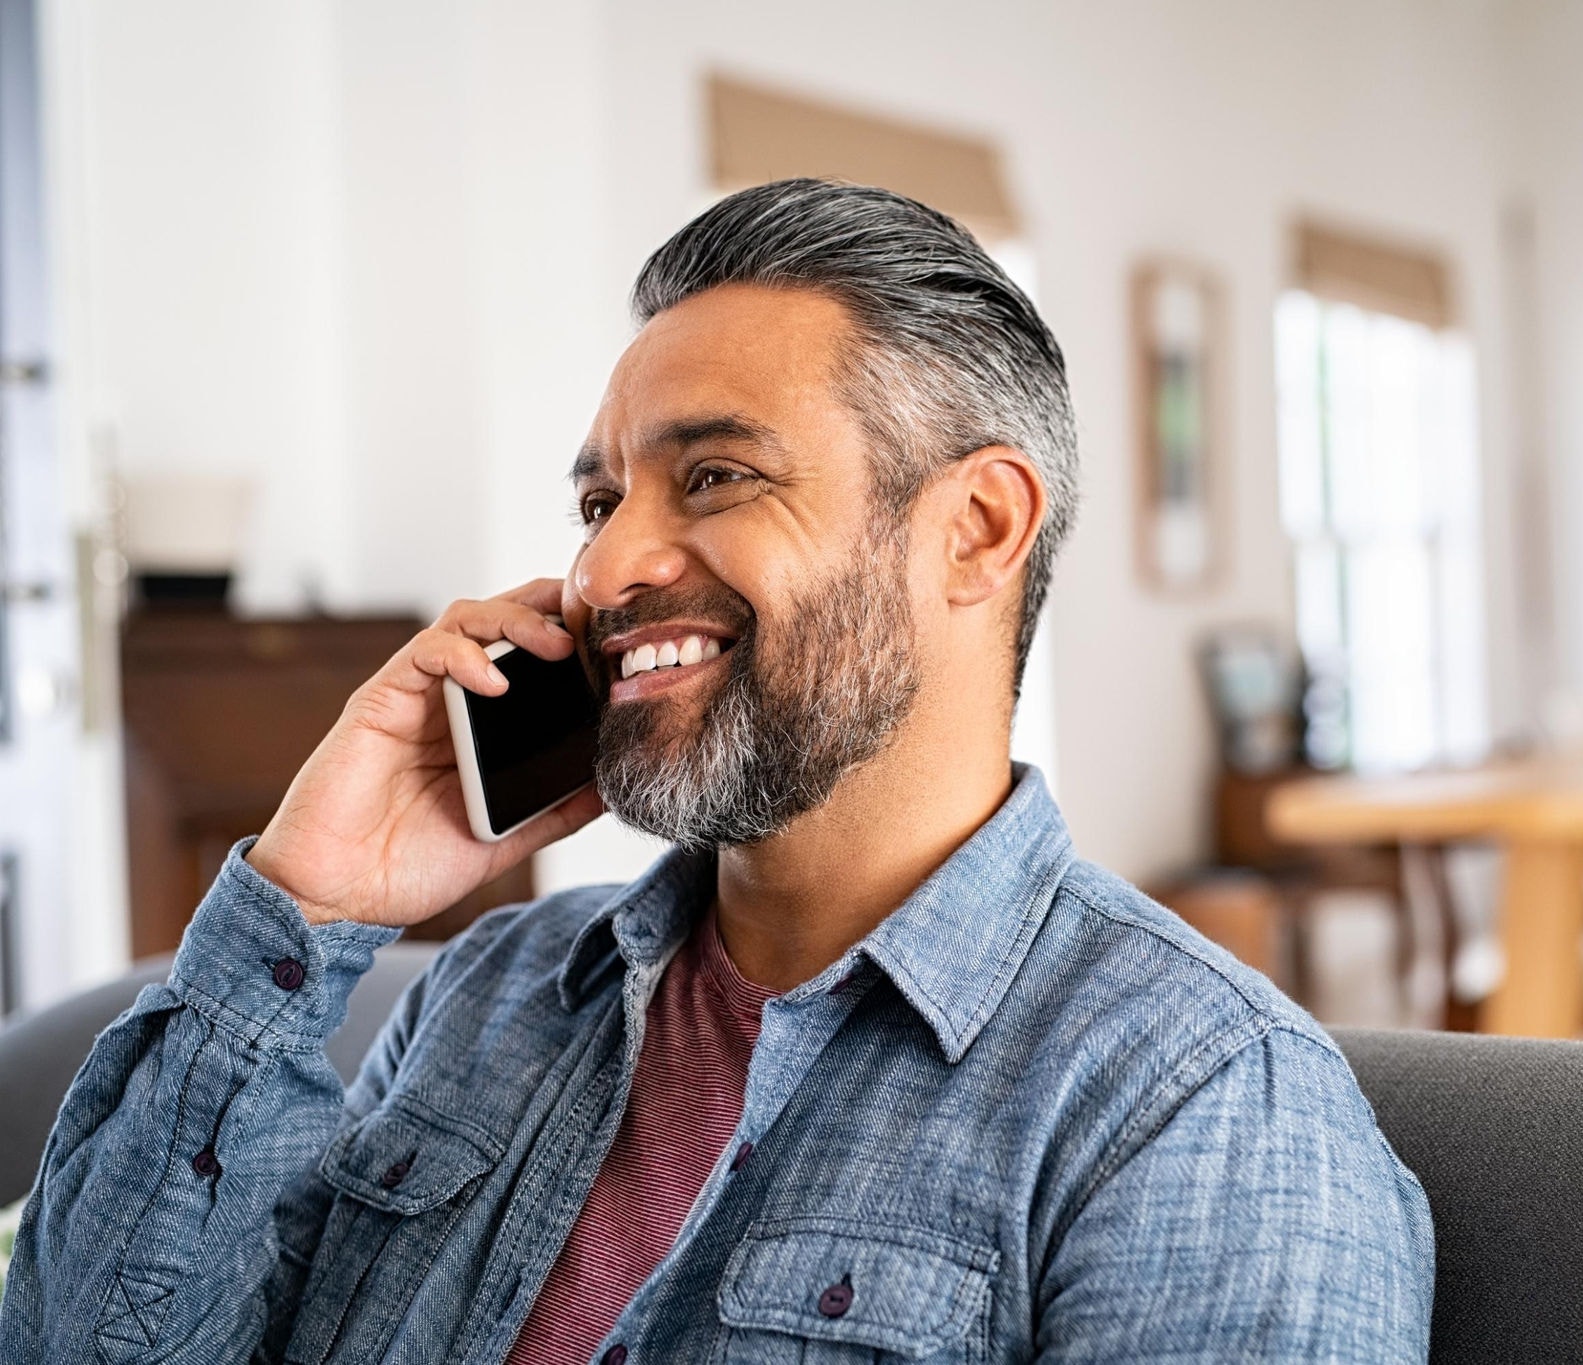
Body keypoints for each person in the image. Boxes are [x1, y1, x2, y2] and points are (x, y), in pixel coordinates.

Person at [0, 179, 1433, 1364]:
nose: (608, 563)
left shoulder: (1199, 1109)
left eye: (717, 477)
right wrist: (302, 909)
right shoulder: (485, 996)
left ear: (977, 530)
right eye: (599, 498)